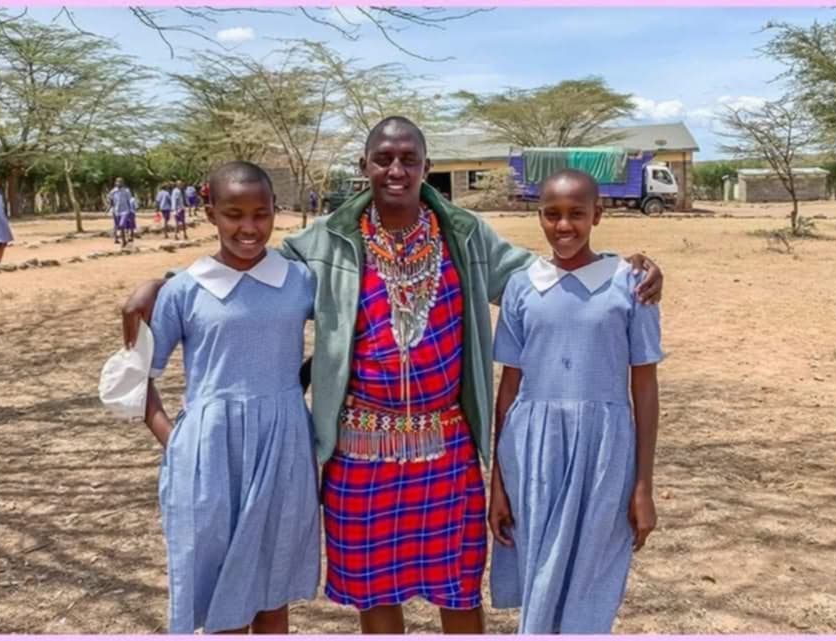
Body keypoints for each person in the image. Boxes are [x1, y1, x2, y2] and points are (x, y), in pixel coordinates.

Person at [119, 116, 664, 634]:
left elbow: (548, 272)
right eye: (383, 159)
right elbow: (251, 261)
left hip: (446, 443)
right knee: (375, 591)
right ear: (365, 166)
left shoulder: (466, 235)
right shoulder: (329, 240)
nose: (396, 170)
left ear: (427, 166)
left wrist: (623, 269)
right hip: (359, 450)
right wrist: (168, 281)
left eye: (409, 159)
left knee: (458, 589)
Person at [138, 161, 319, 633]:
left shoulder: (300, 281)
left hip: (283, 445)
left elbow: (343, 341)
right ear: (210, 213)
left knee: (272, 585)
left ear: (275, 211)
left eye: (261, 214)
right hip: (209, 449)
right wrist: (175, 441)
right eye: (233, 214)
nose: (249, 227)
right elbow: (139, 377)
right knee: (220, 589)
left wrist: (296, 386)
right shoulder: (184, 290)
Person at [488, 169, 663, 634]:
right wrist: (498, 486)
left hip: (604, 451)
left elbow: (645, 388)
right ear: (539, 216)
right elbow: (509, 389)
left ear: (598, 215)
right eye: (552, 214)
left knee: (593, 574)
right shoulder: (522, 286)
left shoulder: (631, 285)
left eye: (576, 214)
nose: (563, 225)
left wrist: (643, 486)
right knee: (540, 571)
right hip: (533, 450)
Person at [109, 177, 134, 247]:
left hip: (125, 210)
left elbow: (129, 201)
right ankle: (123, 240)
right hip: (116, 211)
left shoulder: (126, 191)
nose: (119, 183)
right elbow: (110, 200)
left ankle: (123, 241)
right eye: (118, 182)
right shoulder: (113, 191)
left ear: (123, 183)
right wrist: (112, 208)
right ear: (115, 183)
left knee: (122, 225)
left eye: (120, 182)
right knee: (117, 226)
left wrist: (131, 210)